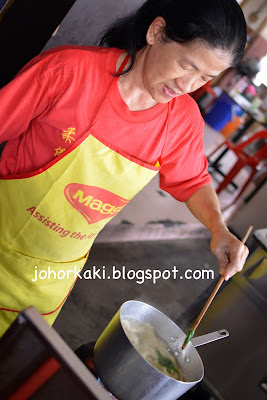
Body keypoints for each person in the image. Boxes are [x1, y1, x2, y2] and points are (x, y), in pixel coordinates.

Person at [0, 0, 249, 337]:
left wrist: (218, 228)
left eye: (205, 77)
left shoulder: (182, 122)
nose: (188, 85)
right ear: (156, 31)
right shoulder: (68, 72)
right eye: (186, 65)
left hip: (46, 283)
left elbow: (192, 181)